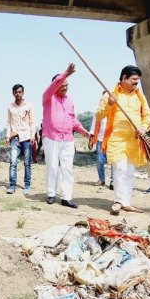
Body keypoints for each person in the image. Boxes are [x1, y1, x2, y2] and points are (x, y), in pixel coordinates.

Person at [96, 65, 150, 215]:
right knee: (119, 168)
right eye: (134, 80)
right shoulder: (111, 95)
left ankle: (126, 202)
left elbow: (147, 115)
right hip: (116, 138)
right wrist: (109, 104)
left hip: (134, 139)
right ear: (124, 78)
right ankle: (118, 201)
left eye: (138, 80)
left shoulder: (139, 96)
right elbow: (99, 115)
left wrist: (144, 127)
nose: (136, 83)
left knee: (129, 171)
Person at [42, 63, 92, 208]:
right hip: (51, 138)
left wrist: (83, 131)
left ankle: (66, 197)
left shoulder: (69, 100)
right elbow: (52, 88)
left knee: (67, 168)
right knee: (52, 166)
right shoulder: (48, 97)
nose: (65, 87)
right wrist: (66, 73)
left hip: (68, 139)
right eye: (62, 85)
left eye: (67, 85)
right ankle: (51, 194)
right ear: (55, 85)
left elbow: (73, 119)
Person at [6, 83, 36, 194]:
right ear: (13, 93)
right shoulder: (10, 106)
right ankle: (12, 186)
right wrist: (7, 136)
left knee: (27, 163)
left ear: (23, 93)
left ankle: (27, 185)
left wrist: (32, 136)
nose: (18, 94)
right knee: (13, 161)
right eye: (16, 92)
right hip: (15, 137)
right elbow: (9, 122)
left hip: (27, 137)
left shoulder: (29, 105)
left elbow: (32, 122)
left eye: (20, 92)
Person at [88, 109, 114, 190]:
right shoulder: (99, 112)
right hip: (100, 140)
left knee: (114, 161)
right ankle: (101, 179)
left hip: (112, 140)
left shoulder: (115, 110)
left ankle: (113, 181)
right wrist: (90, 140)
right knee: (99, 160)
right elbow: (93, 127)